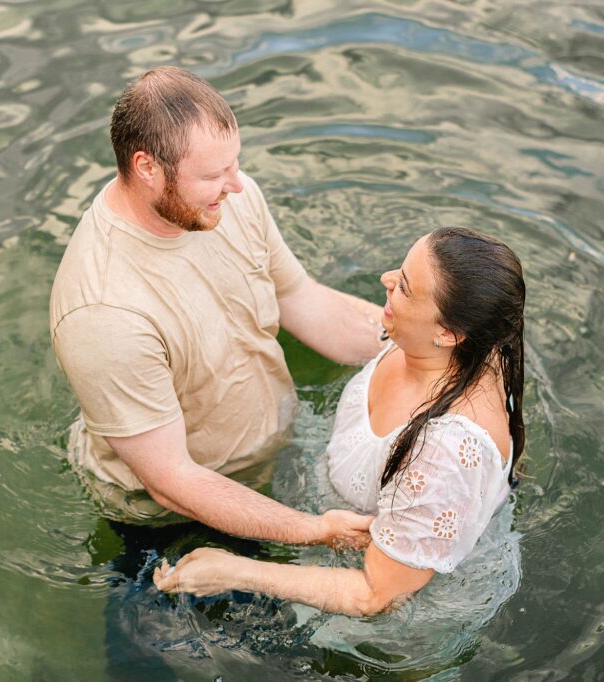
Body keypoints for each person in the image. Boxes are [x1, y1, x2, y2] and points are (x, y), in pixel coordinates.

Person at [49, 66, 385, 548]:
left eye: (234, 163)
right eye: (212, 173)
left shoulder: (226, 202)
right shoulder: (104, 311)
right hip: (167, 521)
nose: (236, 185)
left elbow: (303, 300)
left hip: (271, 453)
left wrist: (430, 350)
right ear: (147, 168)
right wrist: (312, 530)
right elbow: (171, 482)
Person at [154, 227, 526, 616]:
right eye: (400, 270)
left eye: (404, 287)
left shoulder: (444, 453)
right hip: (333, 531)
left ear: (448, 333)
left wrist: (237, 572)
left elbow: (377, 596)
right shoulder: (464, 347)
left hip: (385, 623)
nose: (386, 280)